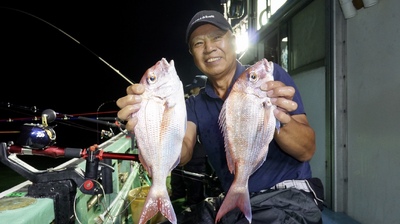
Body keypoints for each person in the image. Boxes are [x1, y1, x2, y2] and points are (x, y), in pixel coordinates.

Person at [117, 10, 323, 224]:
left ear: (232, 41)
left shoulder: (267, 80)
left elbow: (306, 150)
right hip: (236, 200)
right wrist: (149, 128)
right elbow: (184, 150)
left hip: (288, 194)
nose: (209, 48)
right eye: (198, 43)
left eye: (217, 37)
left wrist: (278, 117)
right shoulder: (195, 104)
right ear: (192, 54)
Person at [170, 75, 208, 207]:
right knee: (185, 175)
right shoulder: (189, 104)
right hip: (187, 148)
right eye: (191, 89)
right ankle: (182, 196)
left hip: (199, 152)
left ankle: (195, 205)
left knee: (195, 179)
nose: (191, 91)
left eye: (194, 88)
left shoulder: (204, 105)